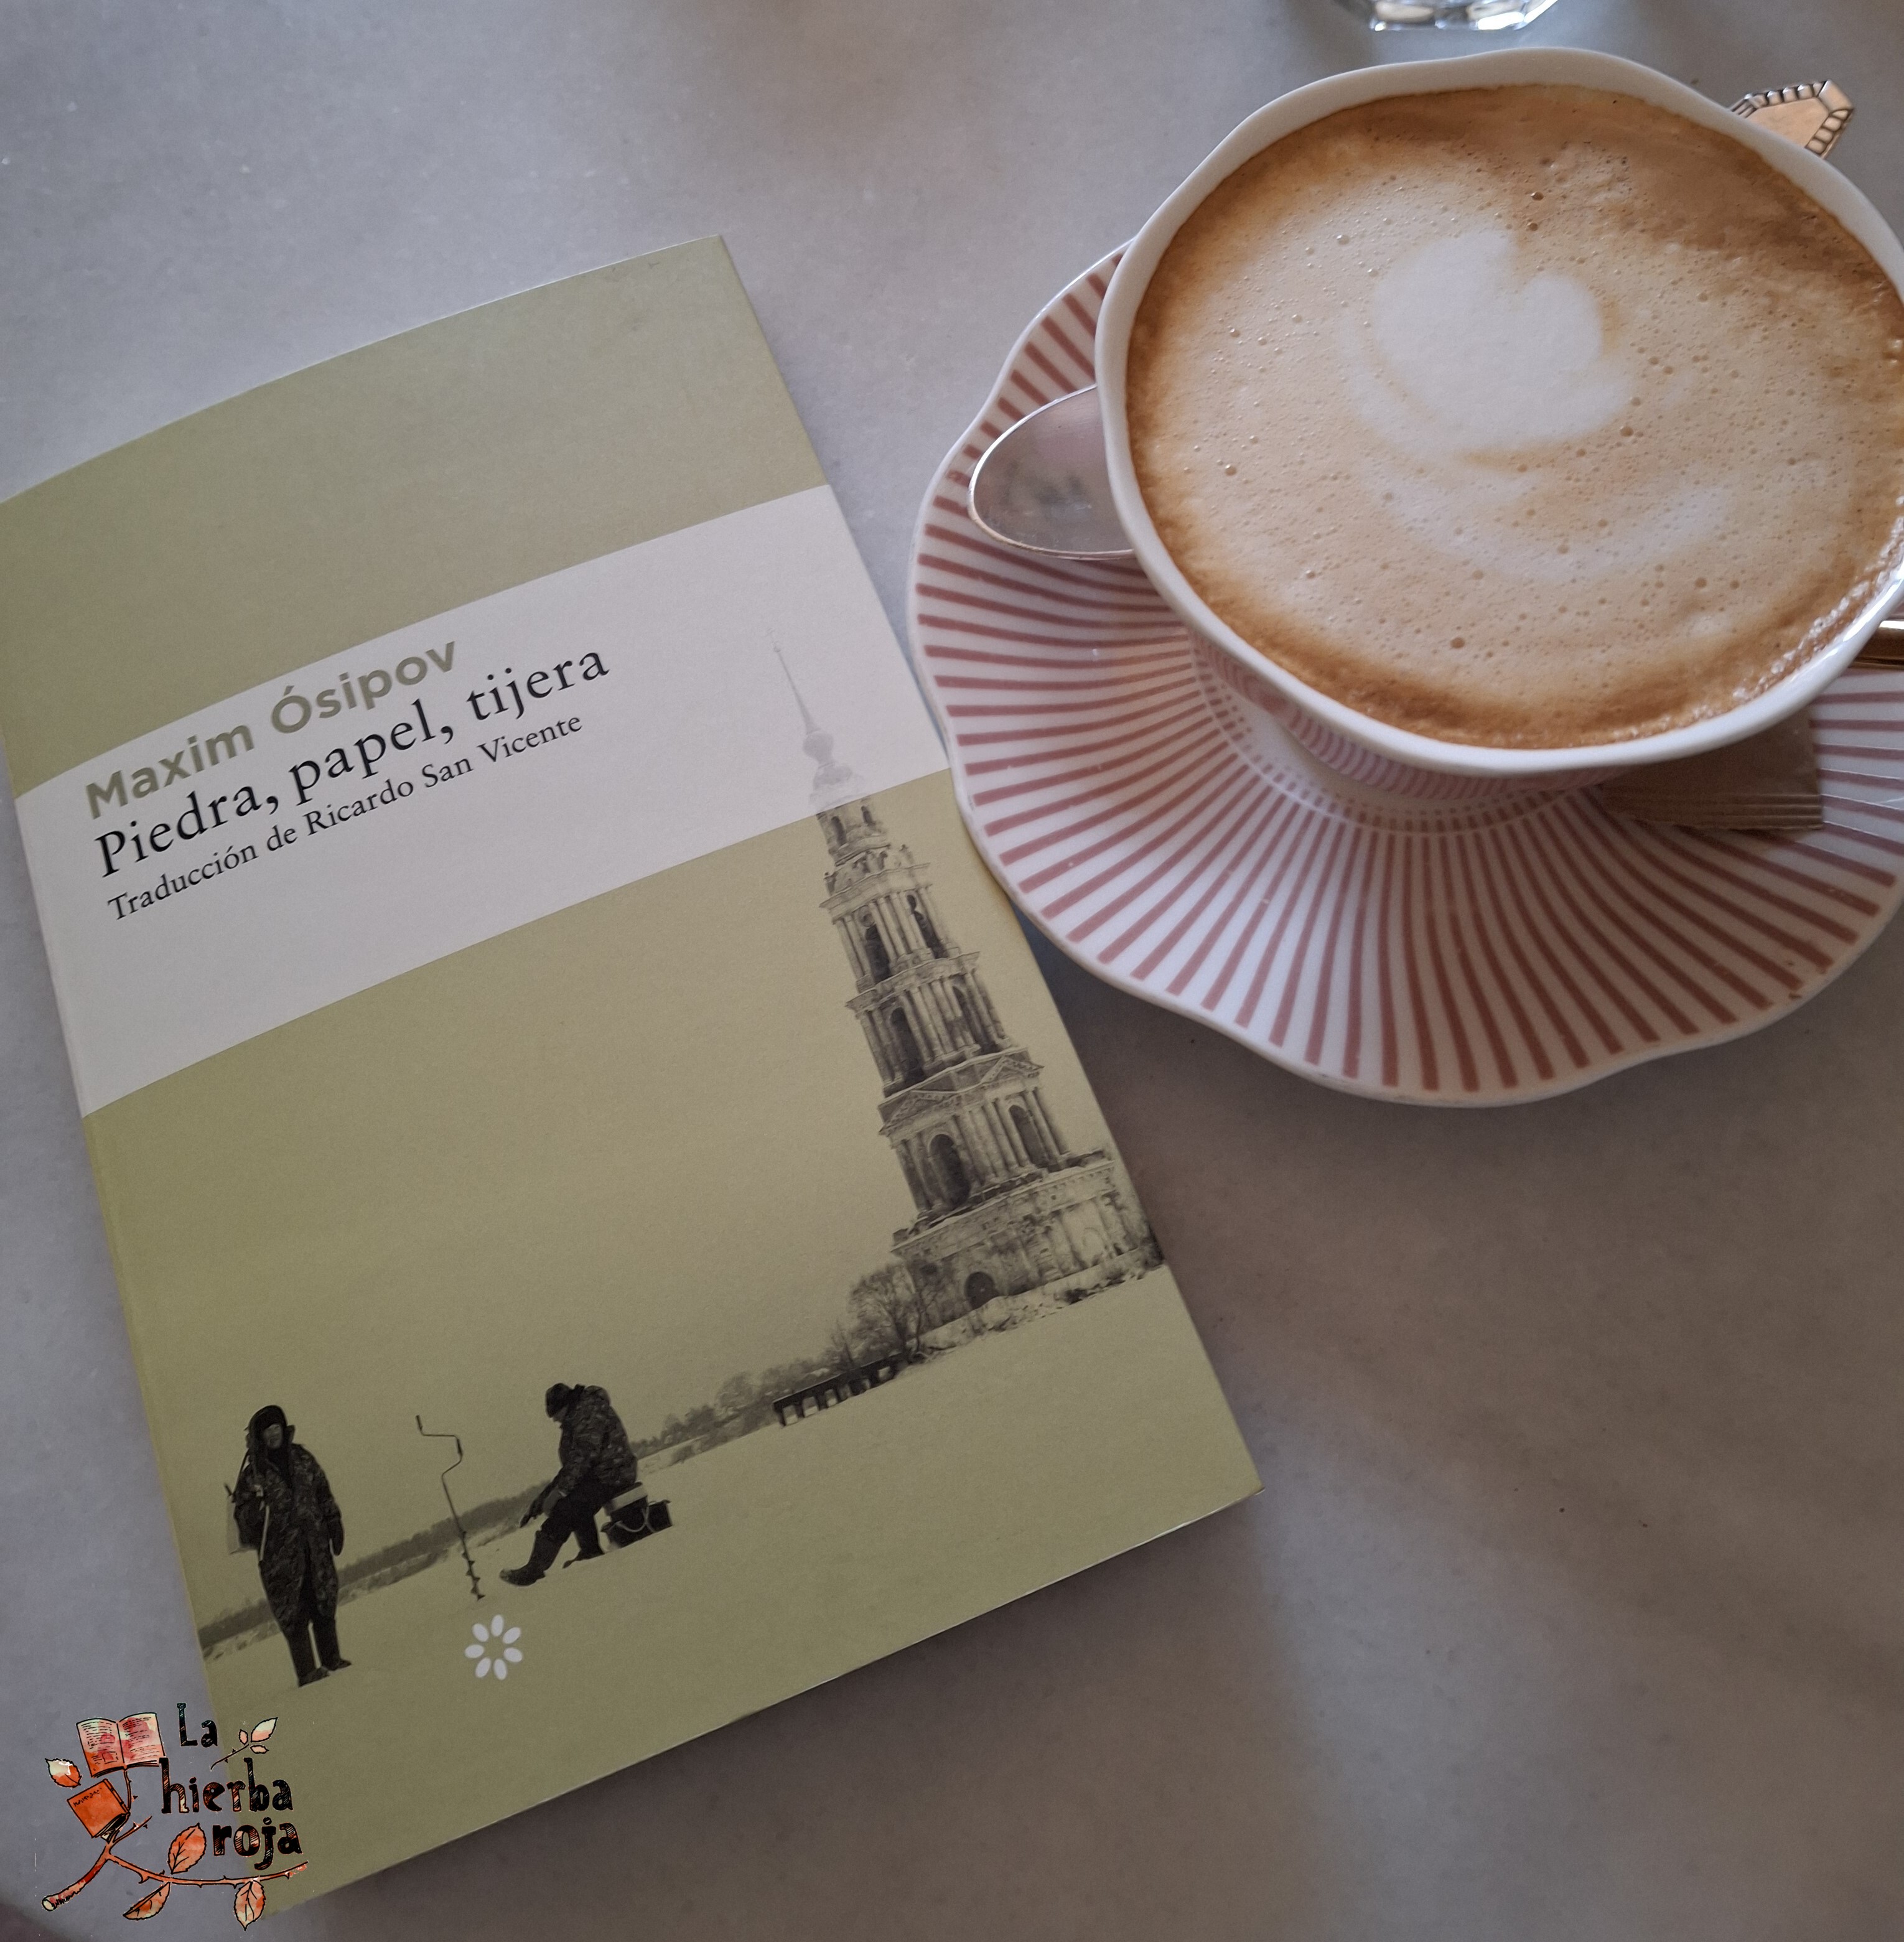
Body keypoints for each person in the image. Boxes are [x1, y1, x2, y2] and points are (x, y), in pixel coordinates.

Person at [232, 1406, 349, 1688]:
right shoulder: (252, 1476)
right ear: (260, 1437)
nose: (274, 1435)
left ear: (283, 1429)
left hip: (314, 1548)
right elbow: (243, 1523)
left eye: (277, 1428)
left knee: (323, 1602)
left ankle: (332, 1660)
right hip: (280, 1561)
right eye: (267, 1431)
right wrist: (256, 1511)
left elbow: (323, 1493)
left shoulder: (303, 1459)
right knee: (293, 1614)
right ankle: (307, 1674)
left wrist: (333, 1522)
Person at [501, 1383, 639, 1586]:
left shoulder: (589, 1412)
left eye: (555, 1414)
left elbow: (583, 1458)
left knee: (568, 1507)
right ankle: (589, 1551)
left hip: (615, 1474)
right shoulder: (577, 1416)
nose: (554, 1420)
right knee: (572, 1500)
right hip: (600, 1475)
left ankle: (535, 1569)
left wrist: (560, 1492)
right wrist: (542, 1500)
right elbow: (571, 1467)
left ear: (565, 1405)